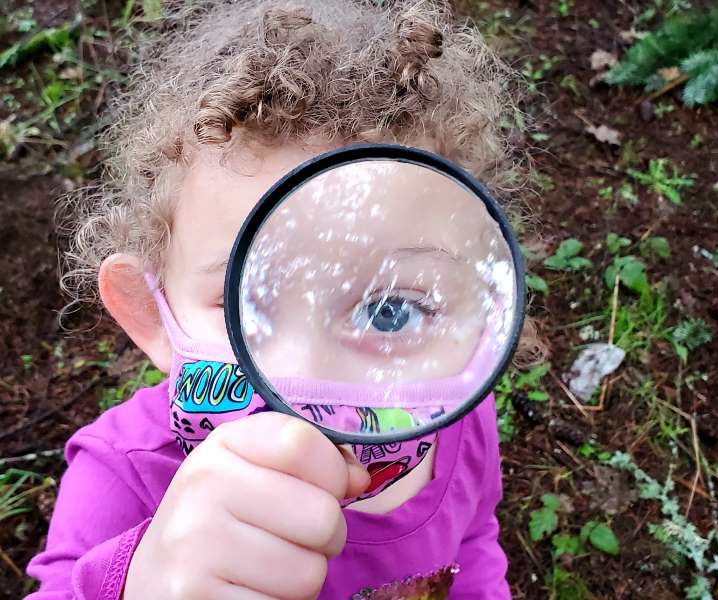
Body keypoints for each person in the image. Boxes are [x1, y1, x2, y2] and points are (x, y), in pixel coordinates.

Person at [27, 1, 527, 597]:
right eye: (245, 305)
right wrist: (141, 584)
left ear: (483, 322)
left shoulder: (459, 420)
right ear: (148, 313)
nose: (301, 376)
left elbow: (473, 543)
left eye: (391, 310)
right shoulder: (121, 475)